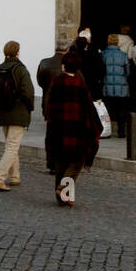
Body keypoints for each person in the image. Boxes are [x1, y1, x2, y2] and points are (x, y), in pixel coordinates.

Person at [44, 48, 101, 206]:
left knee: (61, 161)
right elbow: (88, 107)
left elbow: (50, 104)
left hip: (59, 127)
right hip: (77, 128)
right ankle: (63, 189)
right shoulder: (80, 83)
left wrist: (50, 121)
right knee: (76, 162)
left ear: (64, 65)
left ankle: (62, 195)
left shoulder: (57, 81)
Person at [0, 41, 35, 191]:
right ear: (17, 52)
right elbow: (28, 92)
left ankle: (15, 176)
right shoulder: (20, 69)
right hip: (18, 112)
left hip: (3, 113)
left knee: (10, 144)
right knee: (12, 146)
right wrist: (30, 107)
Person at [36, 44, 66, 173]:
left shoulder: (45, 63)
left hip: (48, 103)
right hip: (64, 105)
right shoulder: (68, 64)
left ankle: (51, 163)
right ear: (66, 51)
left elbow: (40, 82)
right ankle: (61, 162)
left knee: (50, 135)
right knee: (63, 135)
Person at [101, 33, 131, 138]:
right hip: (121, 88)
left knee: (107, 111)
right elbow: (127, 72)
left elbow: (101, 71)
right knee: (122, 111)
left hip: (107, 86)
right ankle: (121, 132)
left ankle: (106, 131)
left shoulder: (103, 55)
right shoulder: (123, 55)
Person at [72, 26, 105, 103]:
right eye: (88, 33)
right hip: (81, 83)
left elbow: (100, 68)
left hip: (91, 84)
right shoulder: (75, 50)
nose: (90, 35)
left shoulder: (93, 49)